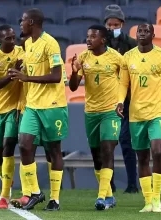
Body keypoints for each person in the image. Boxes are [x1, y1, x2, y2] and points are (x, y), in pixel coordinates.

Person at [116, 23, 161, 213]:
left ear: (153, 34)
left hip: (158, 113)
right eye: (140, 31)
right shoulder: (128, 57)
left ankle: (157, 198)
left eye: (147, 31)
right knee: (142, 157)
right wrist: (120, 101)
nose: (143, 34)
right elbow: (123, 83)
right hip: (136, 115)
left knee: (157, 151)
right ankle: (147, 201)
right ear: (136, 34)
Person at [8, 8, 68, 210]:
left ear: (31, 22)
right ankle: (35, 192)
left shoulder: (50, 43)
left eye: (23, 20)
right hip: (32, 105)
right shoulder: (27, 44)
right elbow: (30, 67)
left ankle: (55, 199)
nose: (20, 23)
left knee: (54, 151)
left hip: (52, 105)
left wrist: (26, 78)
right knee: (24, 145)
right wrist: (20, 69)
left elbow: (56, 76)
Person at [69, 25, 121, 211]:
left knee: (108, 150)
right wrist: (75, 71)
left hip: (110, 111)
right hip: (91, 112)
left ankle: (100, 197)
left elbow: (125, 83)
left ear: (103, 40)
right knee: (97, 156)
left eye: (93, 36)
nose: (88, 39)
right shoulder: (83, 57)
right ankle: (109, 196)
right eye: (87, 36)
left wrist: (121, 102)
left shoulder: (116, 58)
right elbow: (74, 88)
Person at [104, 4, 138, 193]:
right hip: (107, 98)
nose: (112, 28)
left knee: (126, 140)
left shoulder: (132, 44)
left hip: (127, 99)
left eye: (115, 24)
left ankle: (132, 183)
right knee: (108, 142)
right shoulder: (100, 43)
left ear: (122, 24)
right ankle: (109, 183)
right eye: (109, 24)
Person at [0, 25, 24, 209]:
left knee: (8, 146)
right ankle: (6, 179)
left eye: (13, 37)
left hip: (14, 108)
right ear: (0, 40)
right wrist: (12, 74)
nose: (12, 41)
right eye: (8, 39)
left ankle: (4, 196)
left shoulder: (21, 52)